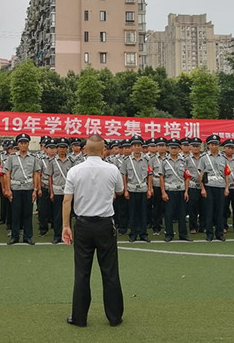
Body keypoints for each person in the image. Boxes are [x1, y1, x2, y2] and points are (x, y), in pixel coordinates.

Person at [62, 134, 124, 328]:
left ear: (85, 149)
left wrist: (65, 225)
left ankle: (79, 318)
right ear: (103, 149)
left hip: (83, 225)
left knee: (82, 273)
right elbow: (120, 191)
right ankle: (114, 317)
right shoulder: (112, 169)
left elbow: (67, 200)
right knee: (110, 272)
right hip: (105, 225)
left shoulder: (75, 171)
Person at [3, 133, 41, 245]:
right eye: (21, 143)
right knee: (15, 213)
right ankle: (15, 236)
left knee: (27, 213)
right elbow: (7, 174)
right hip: (15, 189)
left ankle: (27, 236)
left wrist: (35, 190)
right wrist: (8, 189)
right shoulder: (11, 158)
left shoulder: (33, 158)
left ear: (28, 144)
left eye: (25, 143)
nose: (23, 145)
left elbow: (36, 174)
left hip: (28, 188)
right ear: (18, 144)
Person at [198, 134, 231, 241]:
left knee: (220, 210)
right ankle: (209, 233)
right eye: (212, 144)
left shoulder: (223, 158)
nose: (214, 146)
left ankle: (219, 233)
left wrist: (227, 187)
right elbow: (201, 175)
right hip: (209, 186)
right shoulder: (204, 158)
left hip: (221, 186)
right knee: (209, 210)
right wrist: (202, 188)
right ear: (208, 145)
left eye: (216, 144)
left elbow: (226, 174)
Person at [121, 137, 152, 243]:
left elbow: (149, 175)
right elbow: (124, 176)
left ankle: (143, 234)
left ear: (142, 147)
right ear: (132, 147)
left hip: (143, 189)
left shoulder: (147, 159)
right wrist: (125, 190)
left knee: (143, 213)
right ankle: (133, 234)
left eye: (139, 145)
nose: (137, 147)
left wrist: (149, 189)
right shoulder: (126, 160)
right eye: (135, 145)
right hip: (131, 189)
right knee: (133, 213)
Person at [159, 140, 191, 242]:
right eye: (171, 148)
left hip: (181, 190)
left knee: (182, 213)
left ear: (179, 150)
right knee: (169, 213)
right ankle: (169, 234)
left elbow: (187, 177)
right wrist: (163, 192)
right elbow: (161, 178)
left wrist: (186, 191)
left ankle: (183, 234)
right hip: (169, 190)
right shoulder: (164, 162)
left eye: (175, 148)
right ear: (168, 149)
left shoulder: (183, 161)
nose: (173, 150)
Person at [49, 140, 74, 244]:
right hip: (57, 190)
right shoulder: (52, 161)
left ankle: (69, 235)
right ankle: (57, 235)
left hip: (68, 192)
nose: (62, 149)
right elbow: (50, 177)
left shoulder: (71, 161)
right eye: (60, 147)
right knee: (57, 214)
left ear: (67, 148)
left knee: (68, 214)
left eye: (64, 147)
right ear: (57, 148)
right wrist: (51, 192)